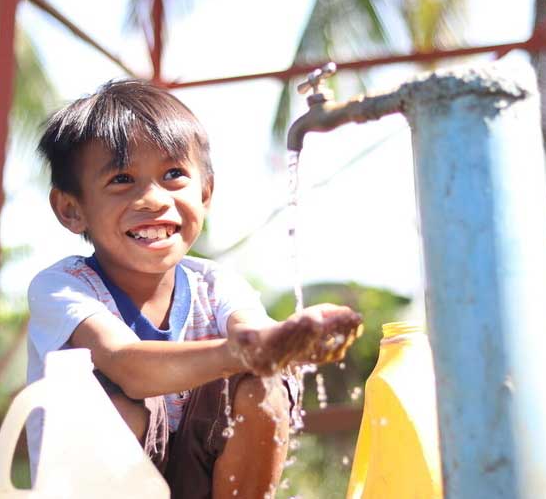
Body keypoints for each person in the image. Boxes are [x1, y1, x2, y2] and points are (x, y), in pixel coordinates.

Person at [25, 80, 362, 498]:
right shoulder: (65, 287)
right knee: (114, 405)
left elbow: (256, 335)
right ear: (72, 210)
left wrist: (284, 342)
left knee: (264, 385)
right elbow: (128, 365)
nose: (152, 199)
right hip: (92, 485)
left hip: (200, 480)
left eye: (173, 175)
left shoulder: (215, 284)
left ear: (205, 193)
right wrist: (241, 349)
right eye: (122, 179)